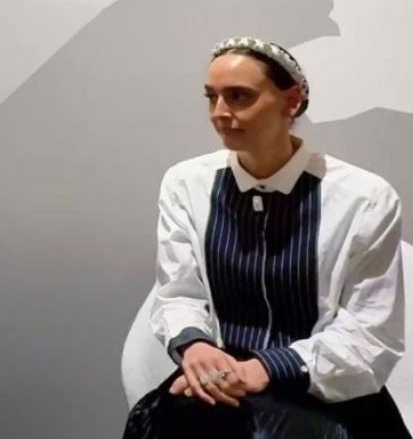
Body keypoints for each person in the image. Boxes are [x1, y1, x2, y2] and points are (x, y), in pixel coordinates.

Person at [123, 37, 409, 438]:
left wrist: (267, 367)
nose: (220, 113)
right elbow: (179, 292)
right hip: (220, 383)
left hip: (323, 389)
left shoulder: (364, 198)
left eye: (239, 96)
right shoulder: (185, 184)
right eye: (212, 97)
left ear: (291, 101)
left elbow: (371, 332)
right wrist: (196, 347)